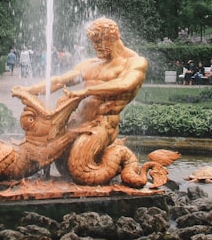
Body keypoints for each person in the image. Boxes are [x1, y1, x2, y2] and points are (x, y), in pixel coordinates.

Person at [18, 18, 147, 158]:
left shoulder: (134, 62)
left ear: (111, 38)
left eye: (98, 42)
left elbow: (124, 84)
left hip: (102, 124)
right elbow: (59, 81)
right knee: (47, 151)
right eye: (93, 42)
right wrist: (30, 90)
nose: (94, 46)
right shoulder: (91, 63)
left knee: (78, 164)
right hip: (78, 120)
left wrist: (86, 91)